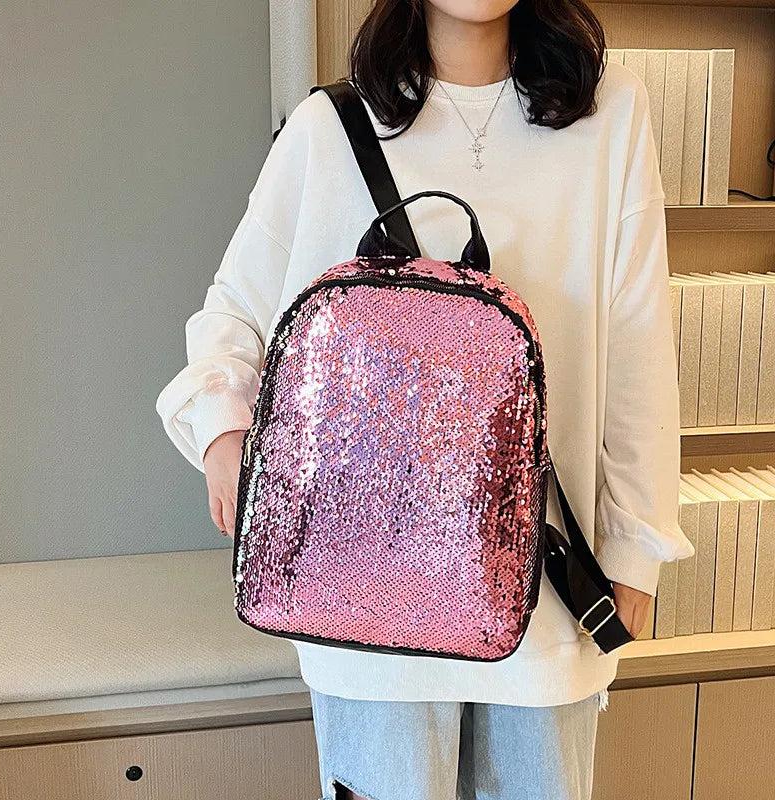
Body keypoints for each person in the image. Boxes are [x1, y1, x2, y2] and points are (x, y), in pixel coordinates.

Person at [156, 1, 695, 798]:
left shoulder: (611, 116)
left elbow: (638, 341)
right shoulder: (328, 128)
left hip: (550, 582)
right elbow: (233, 311)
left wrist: (637, 546)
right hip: (361, 605)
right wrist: (223, 433)